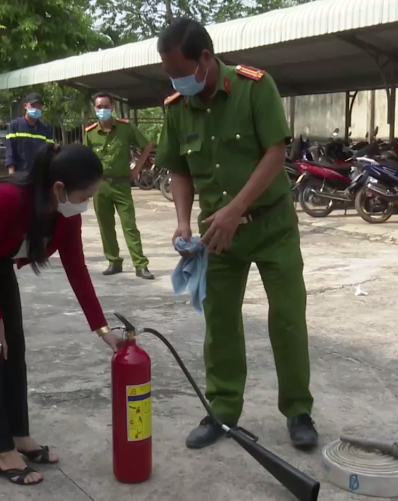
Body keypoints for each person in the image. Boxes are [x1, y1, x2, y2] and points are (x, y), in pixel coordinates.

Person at [155, 18, 317, 451]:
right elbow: (178, 170)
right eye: (169, 73)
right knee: (220, 322)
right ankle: (223, 411)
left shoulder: (254, 86)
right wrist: (184, 221)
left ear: (206, 58)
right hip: (217, 234)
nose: (177, 80)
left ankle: (299, 411)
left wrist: (237, 208)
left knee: (286, 317)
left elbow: (275, 152)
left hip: (272, 226)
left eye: (181, 70)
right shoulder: (175, 108)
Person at [0, 144, 122, 487]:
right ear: (59, 188)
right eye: (85, 195)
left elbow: (77, 270)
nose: (86, 203)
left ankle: (18, 436)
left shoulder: (64, 214)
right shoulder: (4, 199)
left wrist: (102, 329)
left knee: (14, 351)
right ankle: (0, 452)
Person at [84, 91, 155, 279]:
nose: (103, 110)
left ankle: (140, 265)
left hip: (122, 184)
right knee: (105, 226)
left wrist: (137, 168)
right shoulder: (90, 133)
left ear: (112, 108)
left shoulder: (125, 128)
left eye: (106, 106)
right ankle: (113, 261)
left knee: (129, 225)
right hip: (101, 186)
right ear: (94, 108)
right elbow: (84, 158)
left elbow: (147, 145)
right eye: (99, 107)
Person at [5, 93, 54, 175]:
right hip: (20, 175)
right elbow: (10, 153)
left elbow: (50, 153)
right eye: (33, 105)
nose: (36, 109)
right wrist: (12, 176)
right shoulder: (14, 126)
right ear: (25, 106)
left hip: (39, 176)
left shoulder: (45, 129)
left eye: (39, 106)